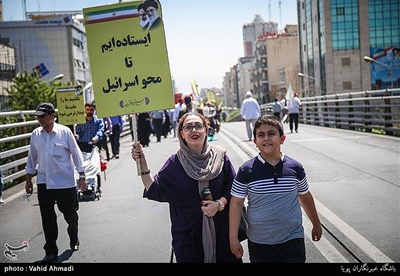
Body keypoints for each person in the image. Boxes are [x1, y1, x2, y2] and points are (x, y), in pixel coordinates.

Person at [131, 112, 241, 263]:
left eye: (198, 126)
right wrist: (141, 160)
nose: (194, 130)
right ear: (182, 133)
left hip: (222, 234)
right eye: (188, 127)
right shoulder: (175, 163)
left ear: (206, 130)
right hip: (187, 238)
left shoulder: (220, 157)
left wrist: (219, 204)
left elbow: (234, 188)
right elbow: (154, 188)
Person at [229, 115, 322, 263]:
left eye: (271, 133)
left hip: (292, 240)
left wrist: (316, 224)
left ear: (282, 139)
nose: (266, 138)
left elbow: (305, 197)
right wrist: (233, 238)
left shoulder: (295, 168)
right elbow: (236, 203)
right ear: (255, 142)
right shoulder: (246, 170)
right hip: (259, 243)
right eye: (261, 135)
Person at [25, 103, 86, 264]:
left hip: (65, 182)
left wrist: (82, 176)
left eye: (42, 116)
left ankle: (74, 236)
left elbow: (76, 154)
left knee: (70, 214)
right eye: (37, 117)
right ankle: (51, 251)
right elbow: (31, 158)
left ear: (52, 116)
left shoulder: (64, 132)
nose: (39, 120)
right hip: (44, 182)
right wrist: (28, 180)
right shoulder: (35, 134)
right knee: (47, 218)